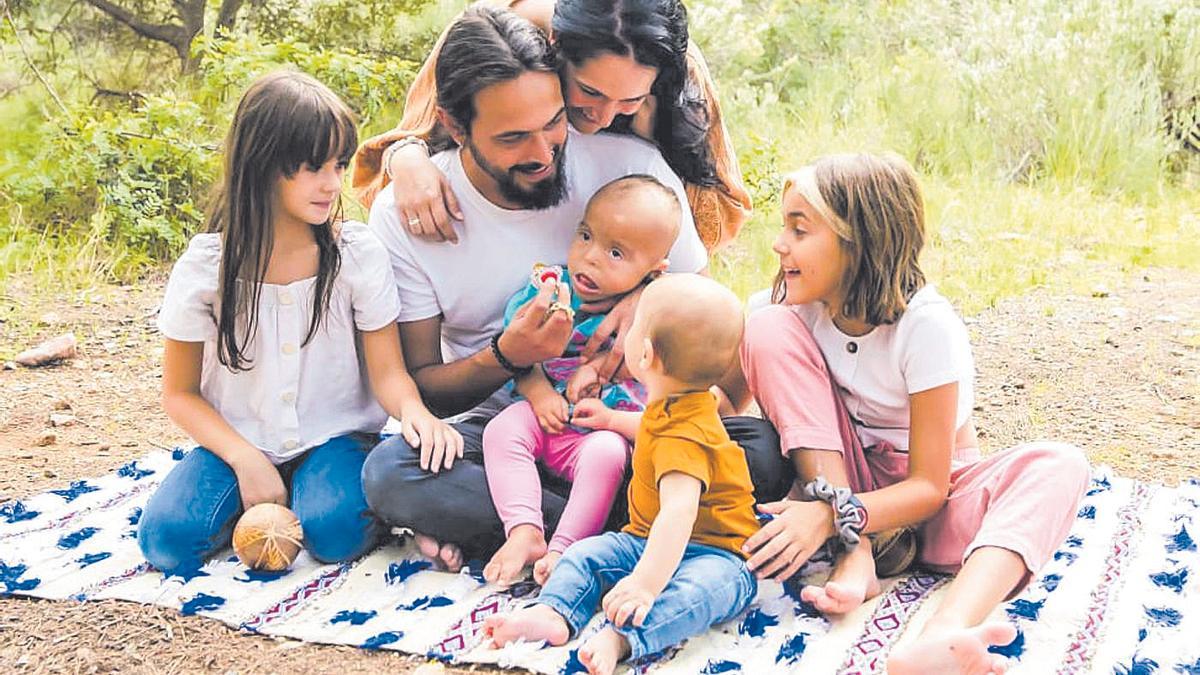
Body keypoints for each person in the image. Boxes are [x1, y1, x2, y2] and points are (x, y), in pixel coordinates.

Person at [361, 5, 793, 574]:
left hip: (617, 422)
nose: (542, 153)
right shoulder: (412, 211)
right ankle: (625, 526)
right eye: (513, 138)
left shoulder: (629, 168)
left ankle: (523, 526)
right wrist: (506, 357)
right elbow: (426, 390)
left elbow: (706, 326)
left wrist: (653, 290)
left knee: (758, 450)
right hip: (500, 431)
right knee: (392, 473)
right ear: (457, 124)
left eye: (554, 123)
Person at [730, 153, 1090, 675]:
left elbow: (929, 487)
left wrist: (834, 514)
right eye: (783, 226)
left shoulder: (926, 327)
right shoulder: (785, 307)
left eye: (799, 229)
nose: (779, 243)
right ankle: (857, 556)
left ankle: (946, 633)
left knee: (1061, 465)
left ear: (860, 241)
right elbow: (720, 404)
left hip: (928, 503)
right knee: (764, 323)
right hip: (840, 473)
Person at [137, 71, 461, 575]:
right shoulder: (206, 267)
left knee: (335, 533)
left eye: (338, 164)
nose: (332, 184)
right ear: (263, 164)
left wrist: (414, 412)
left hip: (333, 437)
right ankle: (268, 494)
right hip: (237, 437)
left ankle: (313, 491)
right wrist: (245, 459)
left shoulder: (356, 254)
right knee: (167, 542)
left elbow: (388, 374)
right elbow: (179, 394)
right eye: (312, 168)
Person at [485, 274, 759, 675]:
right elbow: (650, 426)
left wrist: (645, 584)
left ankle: (623, 638)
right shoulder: (680, 403)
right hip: (645, 539)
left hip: (717, 553)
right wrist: (613, 419)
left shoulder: (686, 435)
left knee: (696, 595)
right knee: (584, 553)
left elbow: (679, 513)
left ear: (645, 354)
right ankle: (553, 613)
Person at [353, 0, 751, 252]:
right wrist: (406, 158)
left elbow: (719, 217)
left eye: (629, 101)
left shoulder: (677, 71)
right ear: (555, 43)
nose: (606, 117)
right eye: (589, 92)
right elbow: (405, 147)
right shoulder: (490, 34)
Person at [482, 175, 681, 587]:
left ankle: (565, 548)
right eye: (586, 236)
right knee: (502, 429)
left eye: (614, 253)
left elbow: (670, 373)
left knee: (607, 455)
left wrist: (606, 388)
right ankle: (525, 529)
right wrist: (538, 395)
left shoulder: (658, 310)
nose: (590, 258)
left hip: (601, 432)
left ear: (654, 270)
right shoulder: (550, 292)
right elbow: (516, 352)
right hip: (544, 419)